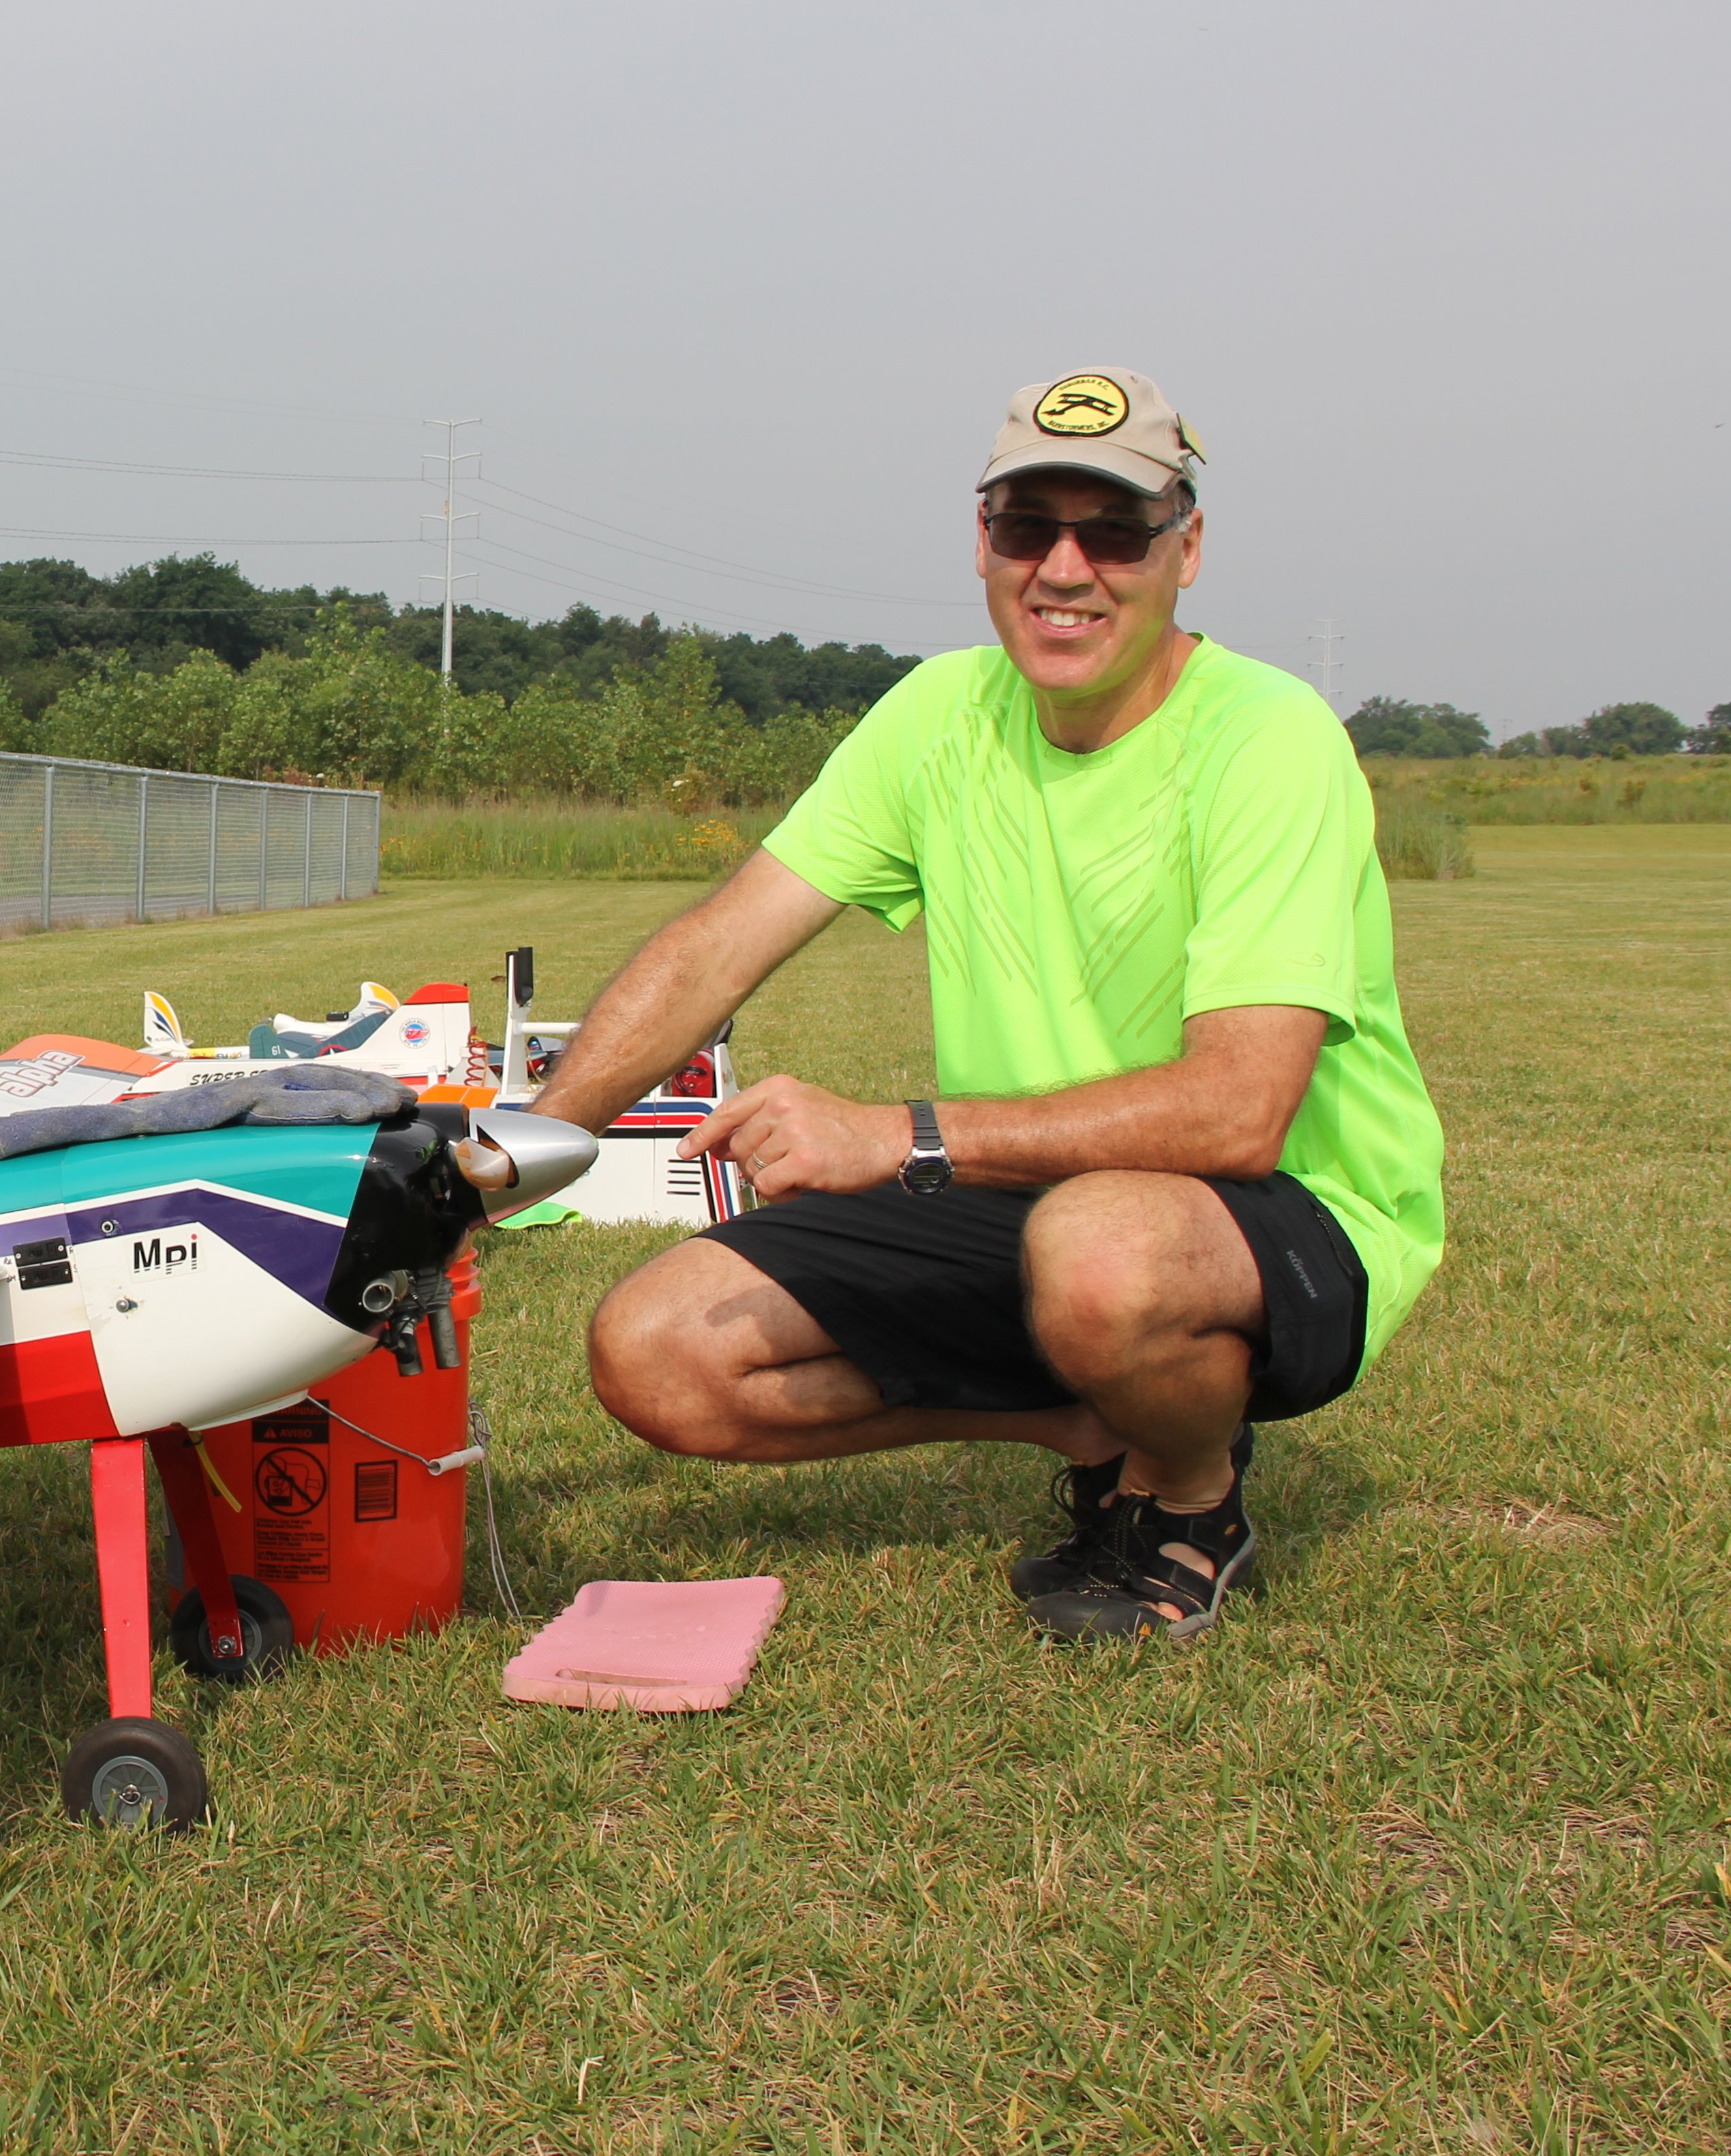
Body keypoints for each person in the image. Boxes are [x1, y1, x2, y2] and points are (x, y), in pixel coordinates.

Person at [526, 369, 1444, 1641]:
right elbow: (715, 948)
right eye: (1029, 527)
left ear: (1187, 551)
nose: (1066, 568)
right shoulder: (939, 714)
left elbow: (1240, 1110)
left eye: (1115, 530)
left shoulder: (1269, 737)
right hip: (1032, 1198)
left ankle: (1189, 1490)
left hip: (1288, 1209)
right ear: (982, 542)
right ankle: (1087, 1421)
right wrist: (512, 1156)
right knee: (655, 1349)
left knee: (1103, 1257)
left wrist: (897, 1136)